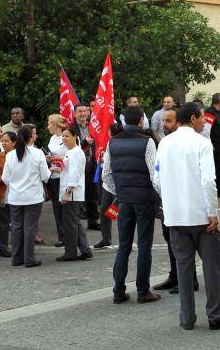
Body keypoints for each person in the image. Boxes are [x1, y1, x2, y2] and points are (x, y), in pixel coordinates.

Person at [154, 102, 220, 331]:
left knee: (183, 268)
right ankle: (217, 314)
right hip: (200, 215)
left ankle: (187, 318)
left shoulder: (165, 144)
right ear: (193, 118)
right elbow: (209, 181)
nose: (204, 121)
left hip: (175, 216)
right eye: (202, 117)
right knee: (212, 267)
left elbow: (157, 179)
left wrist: (170, 201)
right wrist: (212, 213)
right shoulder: (201, 143)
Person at [104, 106, 159, 301]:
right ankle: (143, 290)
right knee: (144, 244)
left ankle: (118, 291)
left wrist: (118, 191)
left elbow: (106, 175)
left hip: (125, 200)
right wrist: (159, 196)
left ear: (125, 121)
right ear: (142, 119)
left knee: (124, 245)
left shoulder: (112, 143)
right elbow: (154, 176)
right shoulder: (148, 142)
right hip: (144, 199)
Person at [151, 106, 196, 295]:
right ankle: (175, 275)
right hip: (167, 202)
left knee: (184, 243)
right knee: (170, 240)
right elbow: (157, 174)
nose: (164, 124)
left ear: (179, 122)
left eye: (168, 121)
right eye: (162, 121)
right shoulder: (164, 143)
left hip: (185, 203)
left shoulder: (191, 144)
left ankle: (189, 279)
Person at [2, 124, 50, 267]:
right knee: (30, 228)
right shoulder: (37, 153)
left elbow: (5, 178)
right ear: (30, 138)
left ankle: (17, 258)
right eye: (34, 134)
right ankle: (29, 258)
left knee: (17, 227)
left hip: (15, 196)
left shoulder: (10, 155)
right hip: (33, 196)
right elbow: (45, 176)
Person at [57, 125, 93, 262]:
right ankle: (85, 250)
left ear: (75, 137)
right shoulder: (70, 151)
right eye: (63, 136)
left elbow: (75, 174)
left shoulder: (77, 152)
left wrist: (68, 191)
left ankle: (70, 253)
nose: (64, 138)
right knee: (75, 223)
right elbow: (67, 166)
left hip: (72, 193)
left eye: (67, 136)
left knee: (70, 224)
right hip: (70, 191)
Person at [94, 122, 121, 251]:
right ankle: (106, 239)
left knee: (119, 213)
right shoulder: (109, 143)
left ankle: (124, 240)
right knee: (105, 211)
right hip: (107, 185)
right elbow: (107, 162)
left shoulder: (118, 144)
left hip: (117, 184)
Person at [74, 105, 99, 230]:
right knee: (78, 192)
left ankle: (93, 221)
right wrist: (84, 143)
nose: (83, 113)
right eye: (80, 111)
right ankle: (76, 222)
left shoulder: (94, 126)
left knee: (92, 193)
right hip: (78, 165)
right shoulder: (71, 128)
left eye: (85, 111)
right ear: (75, 114)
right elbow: (71, 146)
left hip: (92, 162)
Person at [45, 114, 68, 247]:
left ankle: (67, 236)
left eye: (49, 123)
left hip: (62, 176)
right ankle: (61, 235)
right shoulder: (52, 138)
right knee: (56, 207)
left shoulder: (65, 137)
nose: (48, 126)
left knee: (63, 206)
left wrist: (59, 157)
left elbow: (70, 154)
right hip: (53, 176)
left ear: (55, 125)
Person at [0, 131, 16, 258]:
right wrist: (1, 179)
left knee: (17, 222)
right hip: (2, 191)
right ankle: (2, 248)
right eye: (3, 141)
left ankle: (18, 247)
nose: (4, 143)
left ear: (14, 143)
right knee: (2, 222)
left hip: (17, 191)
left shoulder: (19, 155)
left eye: (7, 141)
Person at [204, 93, 220, 198]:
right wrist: (210, 144)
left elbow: (218, 131)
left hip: (218, 146)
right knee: (214, 170)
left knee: (218, 169)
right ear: (219, 101)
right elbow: (206, 131)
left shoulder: (218, 113)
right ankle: (216, 191)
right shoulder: (210, 113)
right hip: (212, 147)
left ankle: (219, 190)